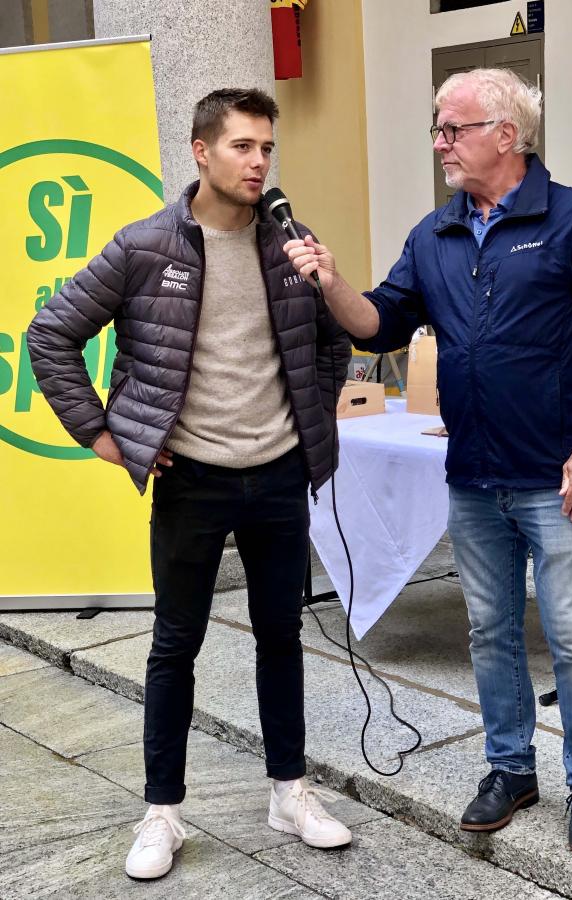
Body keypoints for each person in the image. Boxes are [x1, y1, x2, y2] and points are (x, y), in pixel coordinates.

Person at [283, 68, 572, 859]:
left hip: (558, 476)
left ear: (505, 136)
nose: (440, 142)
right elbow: (378, 326)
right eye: (437, 129)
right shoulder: (433, 234)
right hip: (472, 473)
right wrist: (330, 280)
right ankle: (509, 768)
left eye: (454, 128)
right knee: (488, 631)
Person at [27, 87, 353, 880]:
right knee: (176, 645)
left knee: (283, 637)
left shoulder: (291, 241)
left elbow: (331, 342)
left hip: (277, 474)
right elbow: (51, 334)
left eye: (267, 148)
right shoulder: (144, 247)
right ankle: (162, 815)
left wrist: (306, 415)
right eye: (243, 146)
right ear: (201, 151)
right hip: (192, 480)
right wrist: (105, 436)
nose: (259, 162)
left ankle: (289, 792)